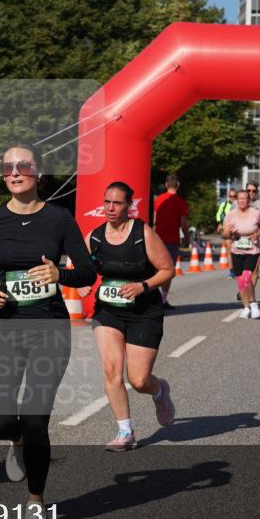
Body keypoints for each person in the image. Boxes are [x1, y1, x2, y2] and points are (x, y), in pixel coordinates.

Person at [0, 141, 96, 519]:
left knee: (37, 419)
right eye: (7, 167)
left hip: (49, 328)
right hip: (4, 327)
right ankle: (16, 440)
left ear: (38, 173)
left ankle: (35, 502)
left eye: (23, 165)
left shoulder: (59, 219)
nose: (15, 172)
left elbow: (88, 272)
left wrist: (62, 275)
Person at [79, 181, 176, 451]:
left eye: (117, 203)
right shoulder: (96, 236)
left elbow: (167, 269)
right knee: (111, 371)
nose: (110, 208)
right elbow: (77, 264)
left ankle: (159, 391)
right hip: (108, 311)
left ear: (129, 206)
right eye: (107, 202)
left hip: (144, 312)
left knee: (138, 380)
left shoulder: (141, 233)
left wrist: (142, 286)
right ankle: (125, 432)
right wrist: (83, 281)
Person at [223, 189, 260, 320]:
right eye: (240, 199)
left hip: (252, 249)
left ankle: (254, 304)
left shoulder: (256, 213)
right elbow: (224, 234)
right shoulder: (231, 214)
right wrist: (229, 232)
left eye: (245, 199)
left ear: (249, 200)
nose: (242, 201)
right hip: (237, 249)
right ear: (237, 200)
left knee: (247, 277)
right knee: (241, 281)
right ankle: (246, 307)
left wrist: (258, 234)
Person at [152, 173, 189, 309]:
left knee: (156, 269)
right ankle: (162, 299)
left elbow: (155, 220)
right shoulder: (181, 202)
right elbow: (183, 223)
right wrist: (187, 238)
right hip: (172, 240)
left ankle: (154, 298)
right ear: (178, 185)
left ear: (166, 185)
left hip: (157, 239)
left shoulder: (158, 200)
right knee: (168, 270)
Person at [216, 188, 237, 277]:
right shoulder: (223, 205)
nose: (232, 198)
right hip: (227, 229)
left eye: (234, 196)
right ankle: (232, 270)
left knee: (238, 250)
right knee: (229, 250)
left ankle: (239, 268)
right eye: (230, 196)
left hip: (237, 230)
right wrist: (220, 224)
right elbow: (218, 215)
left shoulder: (239, 205)